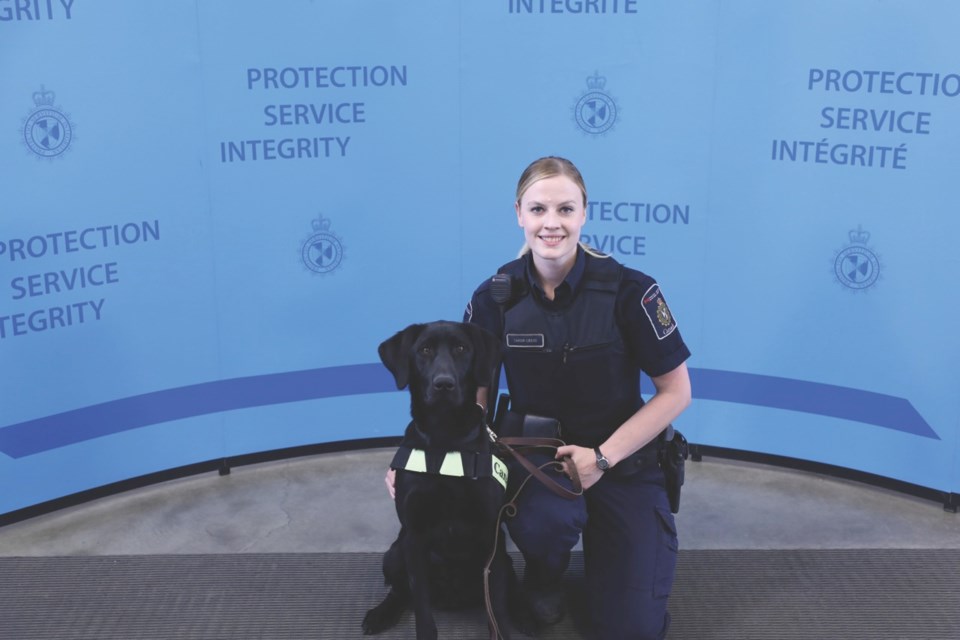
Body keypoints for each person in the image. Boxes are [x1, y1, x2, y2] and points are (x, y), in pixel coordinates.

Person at [385, 156, 691, 639]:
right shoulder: (494, 297)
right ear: (519, 214)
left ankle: (614, 569)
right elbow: (474, 398)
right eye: (538, 209)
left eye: (566, 209)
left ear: (584, 213)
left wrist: (603, 459)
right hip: (536, 464)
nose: (552, 223)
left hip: (623, 463)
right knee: (544, 525)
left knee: (630, 629)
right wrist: (418, 458)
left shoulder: (632, 291)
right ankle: (544, 582)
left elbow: (676, 393)